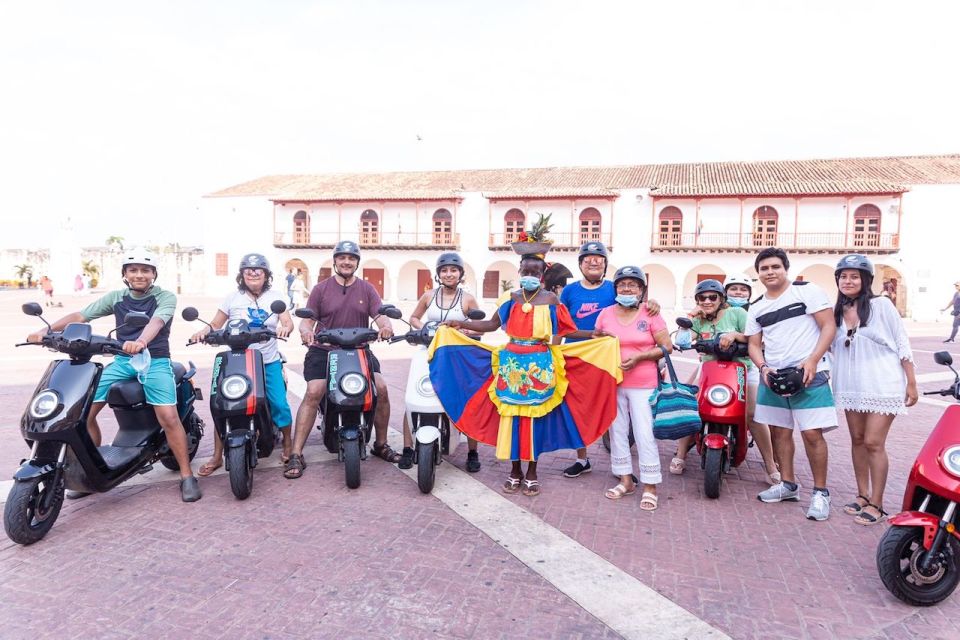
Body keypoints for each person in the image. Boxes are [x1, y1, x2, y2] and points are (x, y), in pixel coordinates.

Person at [429, 252, 622, 496]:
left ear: (541, 276)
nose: (530, 276)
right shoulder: (510, 298)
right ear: (519, 272)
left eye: (535, 272)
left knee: (534, 420)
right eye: (526, 272)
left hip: (540, 366)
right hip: (511, 366)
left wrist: (595, 335)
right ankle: (515, 470)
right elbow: (490, 325)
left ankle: (532, 471)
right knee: (512, 419)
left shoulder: (551, 299)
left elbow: (567, 330)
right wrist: (461, 324)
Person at [27, 249, 201, 501]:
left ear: (153, 274)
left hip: (156, 360)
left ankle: (186, 475)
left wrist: (140, 341)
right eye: (133, 270)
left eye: (145, 270)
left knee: (168, 417)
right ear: (125, 274)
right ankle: (92, 470)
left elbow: (157, 322)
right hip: (123, 361)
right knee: (82, 411)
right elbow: (80, 315)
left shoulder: (165, 296)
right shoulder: (117, 297)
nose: (139, 275)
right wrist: (45, 331)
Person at [283, 240, 397, 479]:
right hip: (324, 351)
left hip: (359, 350)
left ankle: (381, 444)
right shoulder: (320, 289)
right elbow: (307, 320)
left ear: (357, 262)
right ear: (334, 261)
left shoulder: (367, 289)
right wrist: (306, 332)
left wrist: (386, 327)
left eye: (352, 258)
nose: (347, 262)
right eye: (342, 258)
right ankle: (296, 453)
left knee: (382, 388)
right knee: (314, 391)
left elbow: (380, 316)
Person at [746, 247, 837, 521]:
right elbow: (753, 344)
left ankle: (821, 493)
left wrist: (812, 361)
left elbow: (828, 327)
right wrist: (762, 367)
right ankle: (787, 484)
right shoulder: (757, 306)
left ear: (785, 268)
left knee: (812, 434)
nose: (770, 272)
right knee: (779, 433)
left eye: (775, 267)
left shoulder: (806, 291)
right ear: (759, 273)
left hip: (810, 374)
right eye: (764, 268)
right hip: (773, 378)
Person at [189, 253, 295, 476]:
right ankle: (217, 456)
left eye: (259, 270)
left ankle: (288, 445)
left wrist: (285, 328)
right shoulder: (232, 298)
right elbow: (216, 323)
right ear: (242, 274)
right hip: (237, 360)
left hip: (267, 361)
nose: (254, 273)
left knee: (280, 404)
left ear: (266, 275)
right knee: (222, 404)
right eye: (248, 270)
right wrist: (203, 332)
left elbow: (287, 321)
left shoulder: (276, 297)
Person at [831, 254, 917, 525]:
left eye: (854, 276)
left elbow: (901, 341)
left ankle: (878, 504)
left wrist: (911, 382)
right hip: (851, 384)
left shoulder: (881, 306)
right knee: (857, 439)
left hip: (882, 383)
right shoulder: (836, 312)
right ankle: (862, 495)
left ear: (866, 280)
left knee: (873, 442)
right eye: (843, 276)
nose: (848, 280)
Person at [669, 278, 780, 485]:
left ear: (721, 298)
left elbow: (755, 337)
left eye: (712, 297)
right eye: (702, 298)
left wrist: (734, 334)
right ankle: (681, 453)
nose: (708, 301)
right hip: (711, 368)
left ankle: (770, 465)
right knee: (691, 406)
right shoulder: (699, 319)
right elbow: (683, 341)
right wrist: (689, 320)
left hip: (743, 368)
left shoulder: (737, 314)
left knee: (753, 414)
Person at [593, 266, 670, 510]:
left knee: (644, 433)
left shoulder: (650, 313)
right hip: (613, 383)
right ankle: (625, 479)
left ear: (641, 289)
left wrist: (640, 357)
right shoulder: (605, 313)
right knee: (617, 431)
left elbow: (666, 346)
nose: (627, 288)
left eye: (633, 285)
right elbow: (597, 340)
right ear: (615, 288)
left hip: (643, 384)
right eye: (622, 284)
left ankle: (650, 485)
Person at [401, 252, 484, 472]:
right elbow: (414, 318)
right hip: (427, 350)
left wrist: (465, 328)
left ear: (460, 274)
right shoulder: (429, 296)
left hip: (456, 354)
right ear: (438, 274)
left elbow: (478, 323)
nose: (449, 274)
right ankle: (408, 448)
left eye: (453, 270)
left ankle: (472, 451)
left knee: (466, 398)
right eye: (444, 270)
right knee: (413, 394)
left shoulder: (467, 298)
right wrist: (424, 328)